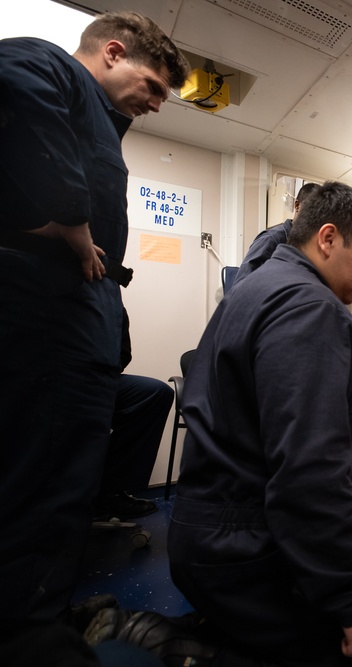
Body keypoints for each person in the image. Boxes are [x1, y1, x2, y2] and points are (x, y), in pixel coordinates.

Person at [166, 182, 352, 665]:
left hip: (205, 530)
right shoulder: (311, 310)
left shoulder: (255, 287)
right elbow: (307, 472)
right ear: (327, 238)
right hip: (247, 545)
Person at [0, 11, 189, 626]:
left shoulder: (100, 120)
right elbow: (14, 80)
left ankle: (45, 609)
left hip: (81, 322)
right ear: (113, 52)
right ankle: (28, 633)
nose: (157, 105)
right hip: (47, 314)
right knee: (45, 482)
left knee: (66, 476)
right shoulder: (50, 64)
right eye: (155, 87)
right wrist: (72, 220)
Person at [233, 182, 352, 306]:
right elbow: (241, 289)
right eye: (311, 209)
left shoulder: (313, 246)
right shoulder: (271, 239)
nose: (317, 217)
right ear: (297, 206)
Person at [94, 310, 174, 521]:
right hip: (57, 378)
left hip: (100, 379)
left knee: (156, 393)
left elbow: (123, 352)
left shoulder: (110, 296)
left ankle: (111, 490)